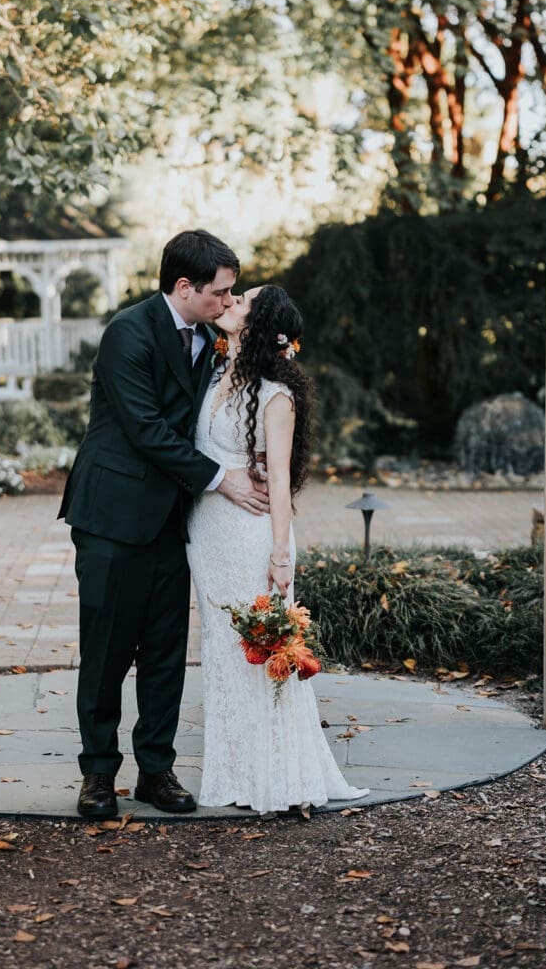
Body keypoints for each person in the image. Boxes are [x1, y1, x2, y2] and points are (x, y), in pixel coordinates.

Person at [58, 229, 269, 819]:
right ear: (184, 286)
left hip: (174, 520)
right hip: (112, 517)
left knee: (165, 651)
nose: (229, 303)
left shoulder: (208, 337)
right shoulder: (127, 333)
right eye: (221, 293)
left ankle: (156, 770)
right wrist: (221, 479)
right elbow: (146, 427)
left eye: (232, 295)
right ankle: (98, 775)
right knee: (105, 651)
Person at [187, 285, 369, 814]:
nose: (229, 301)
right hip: (208, 538)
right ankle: (234, 772)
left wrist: (281, 554)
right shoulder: (218, 375)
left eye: (242, 299)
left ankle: (273, 775)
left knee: (261, 654)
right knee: (223, 657)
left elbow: (282, 481)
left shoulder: (274, 394)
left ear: (258, 323)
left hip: (251, 540)